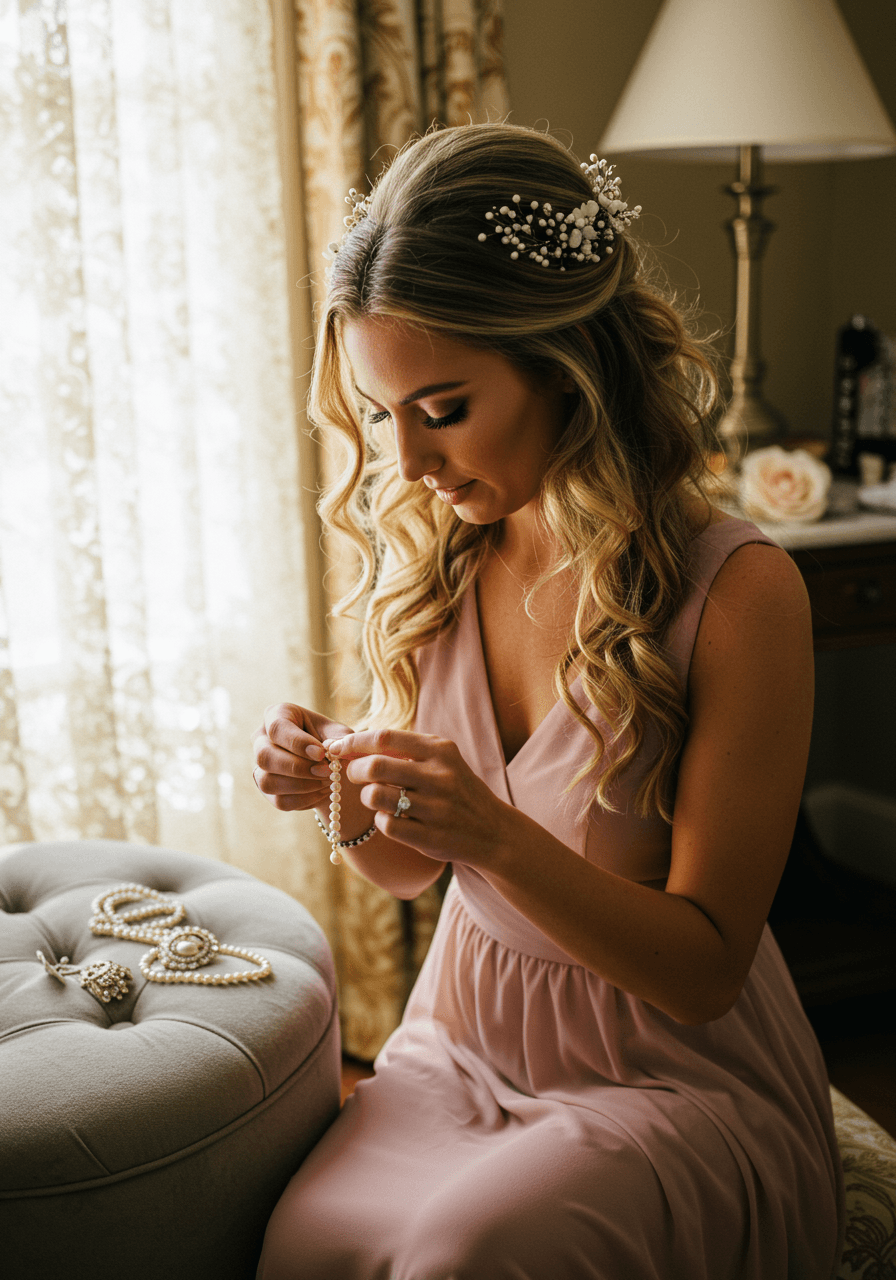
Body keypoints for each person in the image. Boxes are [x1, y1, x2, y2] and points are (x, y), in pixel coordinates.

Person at [252, 123, 843, 1279]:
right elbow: (409, 871)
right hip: (461, 1042)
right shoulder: (444, 554)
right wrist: (343, 794)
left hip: (668, 1070)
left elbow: (702, 966)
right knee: (306, 1242)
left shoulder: (735, 593)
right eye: (381, 416)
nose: (408, 464)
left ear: (565, 362)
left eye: (443, 407)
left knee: (470, 1253)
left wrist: (493, 831)